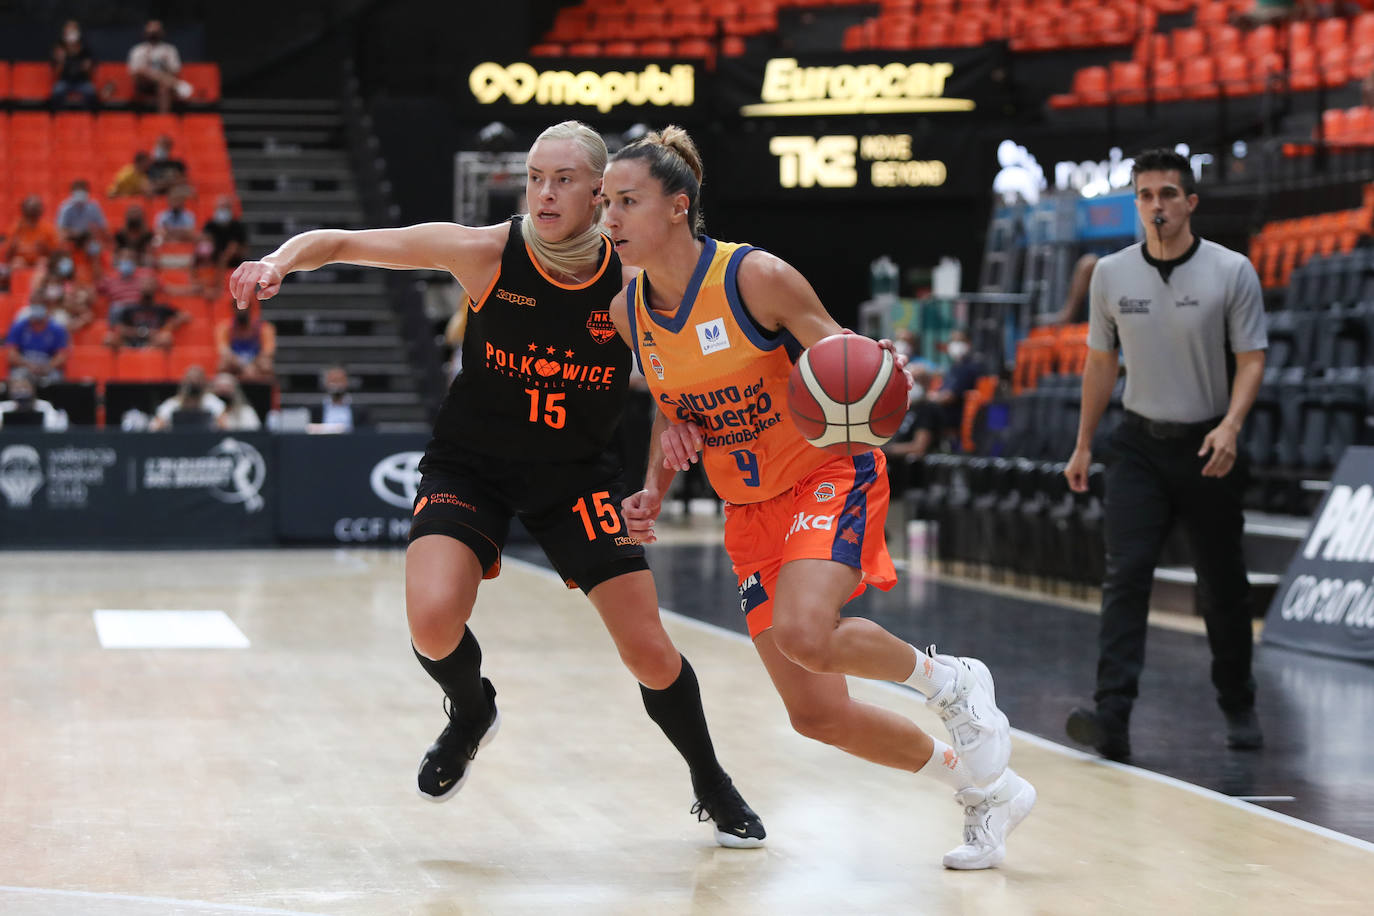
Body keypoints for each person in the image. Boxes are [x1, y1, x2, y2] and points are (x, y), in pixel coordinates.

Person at [228, 120, 767, 848]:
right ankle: (471, 710)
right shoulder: (486, 252)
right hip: (471, 465)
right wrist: (277, 261)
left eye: (564, 180)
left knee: (646, 648)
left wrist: (651, 487)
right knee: (431, 617)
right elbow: (347, 241)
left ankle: (711, 780)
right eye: (536, 177)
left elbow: (676, 392)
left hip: (575, 475)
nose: (545, 192)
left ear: (599, 192)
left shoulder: (634, 281)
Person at [606, 126, 1032, 870]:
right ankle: (985, 789)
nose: (609, 217)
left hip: (827, 473)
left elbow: (843, 362)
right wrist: (655, 484)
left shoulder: (756, 278)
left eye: (627, 201)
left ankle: (955, 682)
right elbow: (673, 411)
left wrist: (883, 370)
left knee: (807, 631)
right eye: (606, 202)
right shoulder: (628, 312)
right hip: (750, 507)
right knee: (816, 715)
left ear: (678, 207)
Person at [1063, 148, 1268, 761]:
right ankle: (1112, 714)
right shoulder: (1110, 274)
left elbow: (1253, 357)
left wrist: (1232, 425)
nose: (1157, 205)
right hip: (1138, 447)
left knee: (1222, 586)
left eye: (1168, 195)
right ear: (1137, 203)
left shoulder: (1231, 271)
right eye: (1146, 195)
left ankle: (1237, 701)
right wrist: (1082, 444)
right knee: (1125, 576)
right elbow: (1101, 362)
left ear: (1190, 203)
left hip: (1209, 445)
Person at [929, 327, 986, 448]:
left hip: (960, 424)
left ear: (968, 343)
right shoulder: (955, 367)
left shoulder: (969, 367)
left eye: (960, 341)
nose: (955, 345)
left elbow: (950, 396)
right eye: (953, 341)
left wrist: (928, 399)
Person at [105, 274, 186, 350]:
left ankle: (147, 357)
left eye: (151, 284)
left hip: (153, 345)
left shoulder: (162, 308)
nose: (148, 287)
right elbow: (120, 329)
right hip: (130, 344)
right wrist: (144, 333)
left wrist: (166, 328)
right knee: (109, 338)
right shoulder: (130, 308)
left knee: (166, 338)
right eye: (145, 284)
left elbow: (184, 316)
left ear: (156, 288)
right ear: (139, 287)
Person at [127, 20, 190, 113]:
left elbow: (175, 71)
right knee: (143, 71)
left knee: (164, 87)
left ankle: (162, 122)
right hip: (143, 84)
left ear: (162, 32)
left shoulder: (169, 50)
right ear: (145, 33)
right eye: (151, 32)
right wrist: (147, 67)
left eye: (156, 32)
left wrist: (164, 66)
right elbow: (135, 72)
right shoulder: (138, 50)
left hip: (163, 84)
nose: (153, 34)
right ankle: (176, 84)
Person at [5, 303, 70, 382]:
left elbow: (61, 356)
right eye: (35, 320)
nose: (37, 323)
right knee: (17, 377)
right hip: (24, 364)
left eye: (40, 320)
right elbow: (11, 354)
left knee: (55, 379)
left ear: (46, 318)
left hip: (48, 364)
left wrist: (48, 366)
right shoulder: (19, 326)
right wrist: (28, 365)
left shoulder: (57, 329)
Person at [149, 364, 225, 431]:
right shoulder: (173, 403)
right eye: (191, 379)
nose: (194, 382)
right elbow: (154, 427)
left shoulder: (212, 402)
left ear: (204, 381)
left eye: (197, 379)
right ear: (184, 381)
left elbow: (224, 427)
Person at [215, 306, 276, 382]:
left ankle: (265, 391)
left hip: (256, 362)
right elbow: (224, 351)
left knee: (266, 365)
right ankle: (224, 389)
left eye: (244, 309)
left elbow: (268, 352)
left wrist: (252, 365)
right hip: (235, 363)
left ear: (250, 310)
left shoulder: (264, 327)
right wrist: (243, 366)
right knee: (223, 364)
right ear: (233, 310)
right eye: (238, 309)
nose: (241, 312)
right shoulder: (225, 327)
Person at [50, 20, 97, 110]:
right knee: (57, 92)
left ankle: (87, 118)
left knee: (91, 92)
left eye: (73, 31)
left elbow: (91, 72)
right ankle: (59, 117)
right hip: (65, 81)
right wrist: (61, 61)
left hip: (82, 81)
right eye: (68, 31)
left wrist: (87, 68)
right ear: (64, 33)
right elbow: (56, 73)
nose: (71, 34)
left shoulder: (85, 48)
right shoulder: (59, 48)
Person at [5, 196, 60, 270]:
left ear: (40, 211)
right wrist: (12, 247)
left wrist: (46, 248)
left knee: (43, 262)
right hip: (21, 261)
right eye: (30, 209)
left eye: (35, 209)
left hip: (40, 261)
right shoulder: (16, 228)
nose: (32, 211)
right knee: (17, 262)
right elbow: (7, 255)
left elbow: (56, 255)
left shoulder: (48, 228)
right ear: (24, 211)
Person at [0, 370, 67, 430]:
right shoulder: (3, 407)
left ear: (33, 389)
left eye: (24, 387)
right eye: (16, 388)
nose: (20, 391)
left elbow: (53, 430)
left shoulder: (45, 407)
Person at [55, 179, 109, 246]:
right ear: (72, 192)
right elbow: (60, 231)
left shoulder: (93, 207)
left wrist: (94, 233)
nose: (80, 194)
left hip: (88, 241)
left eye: (83, 190)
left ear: (87, 192)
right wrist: (74, 233)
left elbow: (103, 227)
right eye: (78, 191)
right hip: (71, 241)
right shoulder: (65, 208)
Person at [309, 365, 363, 430]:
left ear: (346, 382)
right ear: (326, 383)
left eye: (340, 380)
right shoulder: (315, 410)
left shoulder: (359, 410)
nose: (337, 384)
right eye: (333, 380)